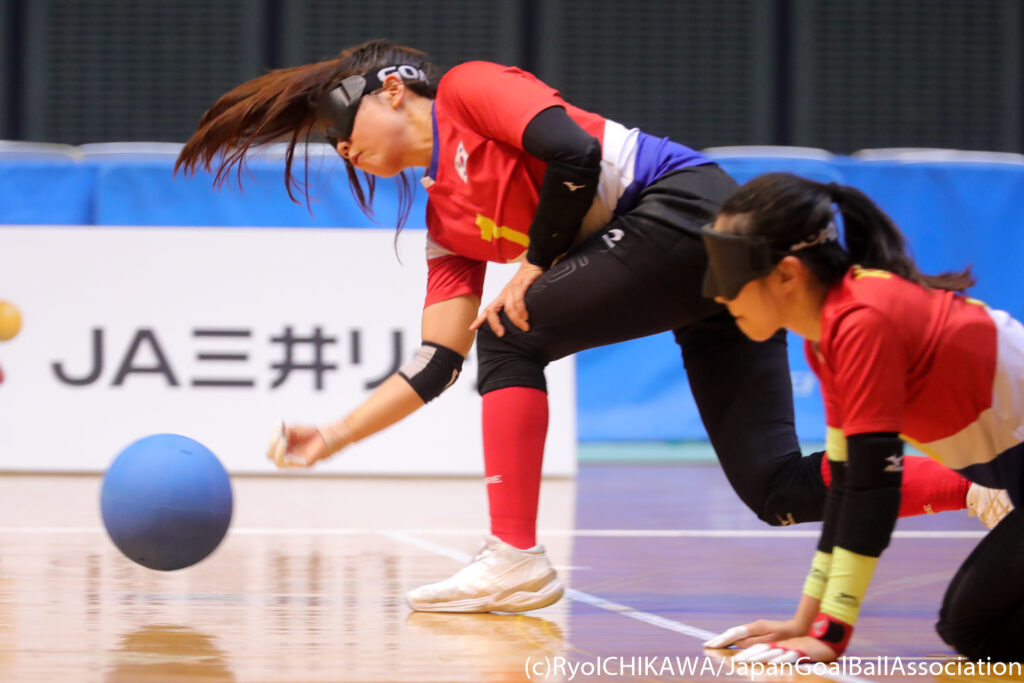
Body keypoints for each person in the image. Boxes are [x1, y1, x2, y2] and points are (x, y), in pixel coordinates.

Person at [177, 40, 977, 615]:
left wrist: (531, 265)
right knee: (776, 491)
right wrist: (336, 434)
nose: (341, 147)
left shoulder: (467, 88)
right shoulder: (445, 221)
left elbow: (570, 155)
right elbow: (435, 362)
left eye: (340, 126)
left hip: (691, 210)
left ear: (392, 90)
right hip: (692, 276)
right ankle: (984, 486)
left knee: (512, 329)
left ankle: (514, 558)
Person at [700, 172, 1021, 662]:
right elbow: (847, 486)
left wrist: (830, 637)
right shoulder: (825, 338)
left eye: (728, 275)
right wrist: (805, 622)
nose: (719, 296)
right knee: (970, 625)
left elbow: (874, 491)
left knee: (975, 628)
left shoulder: (866, 320)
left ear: (788, 274)